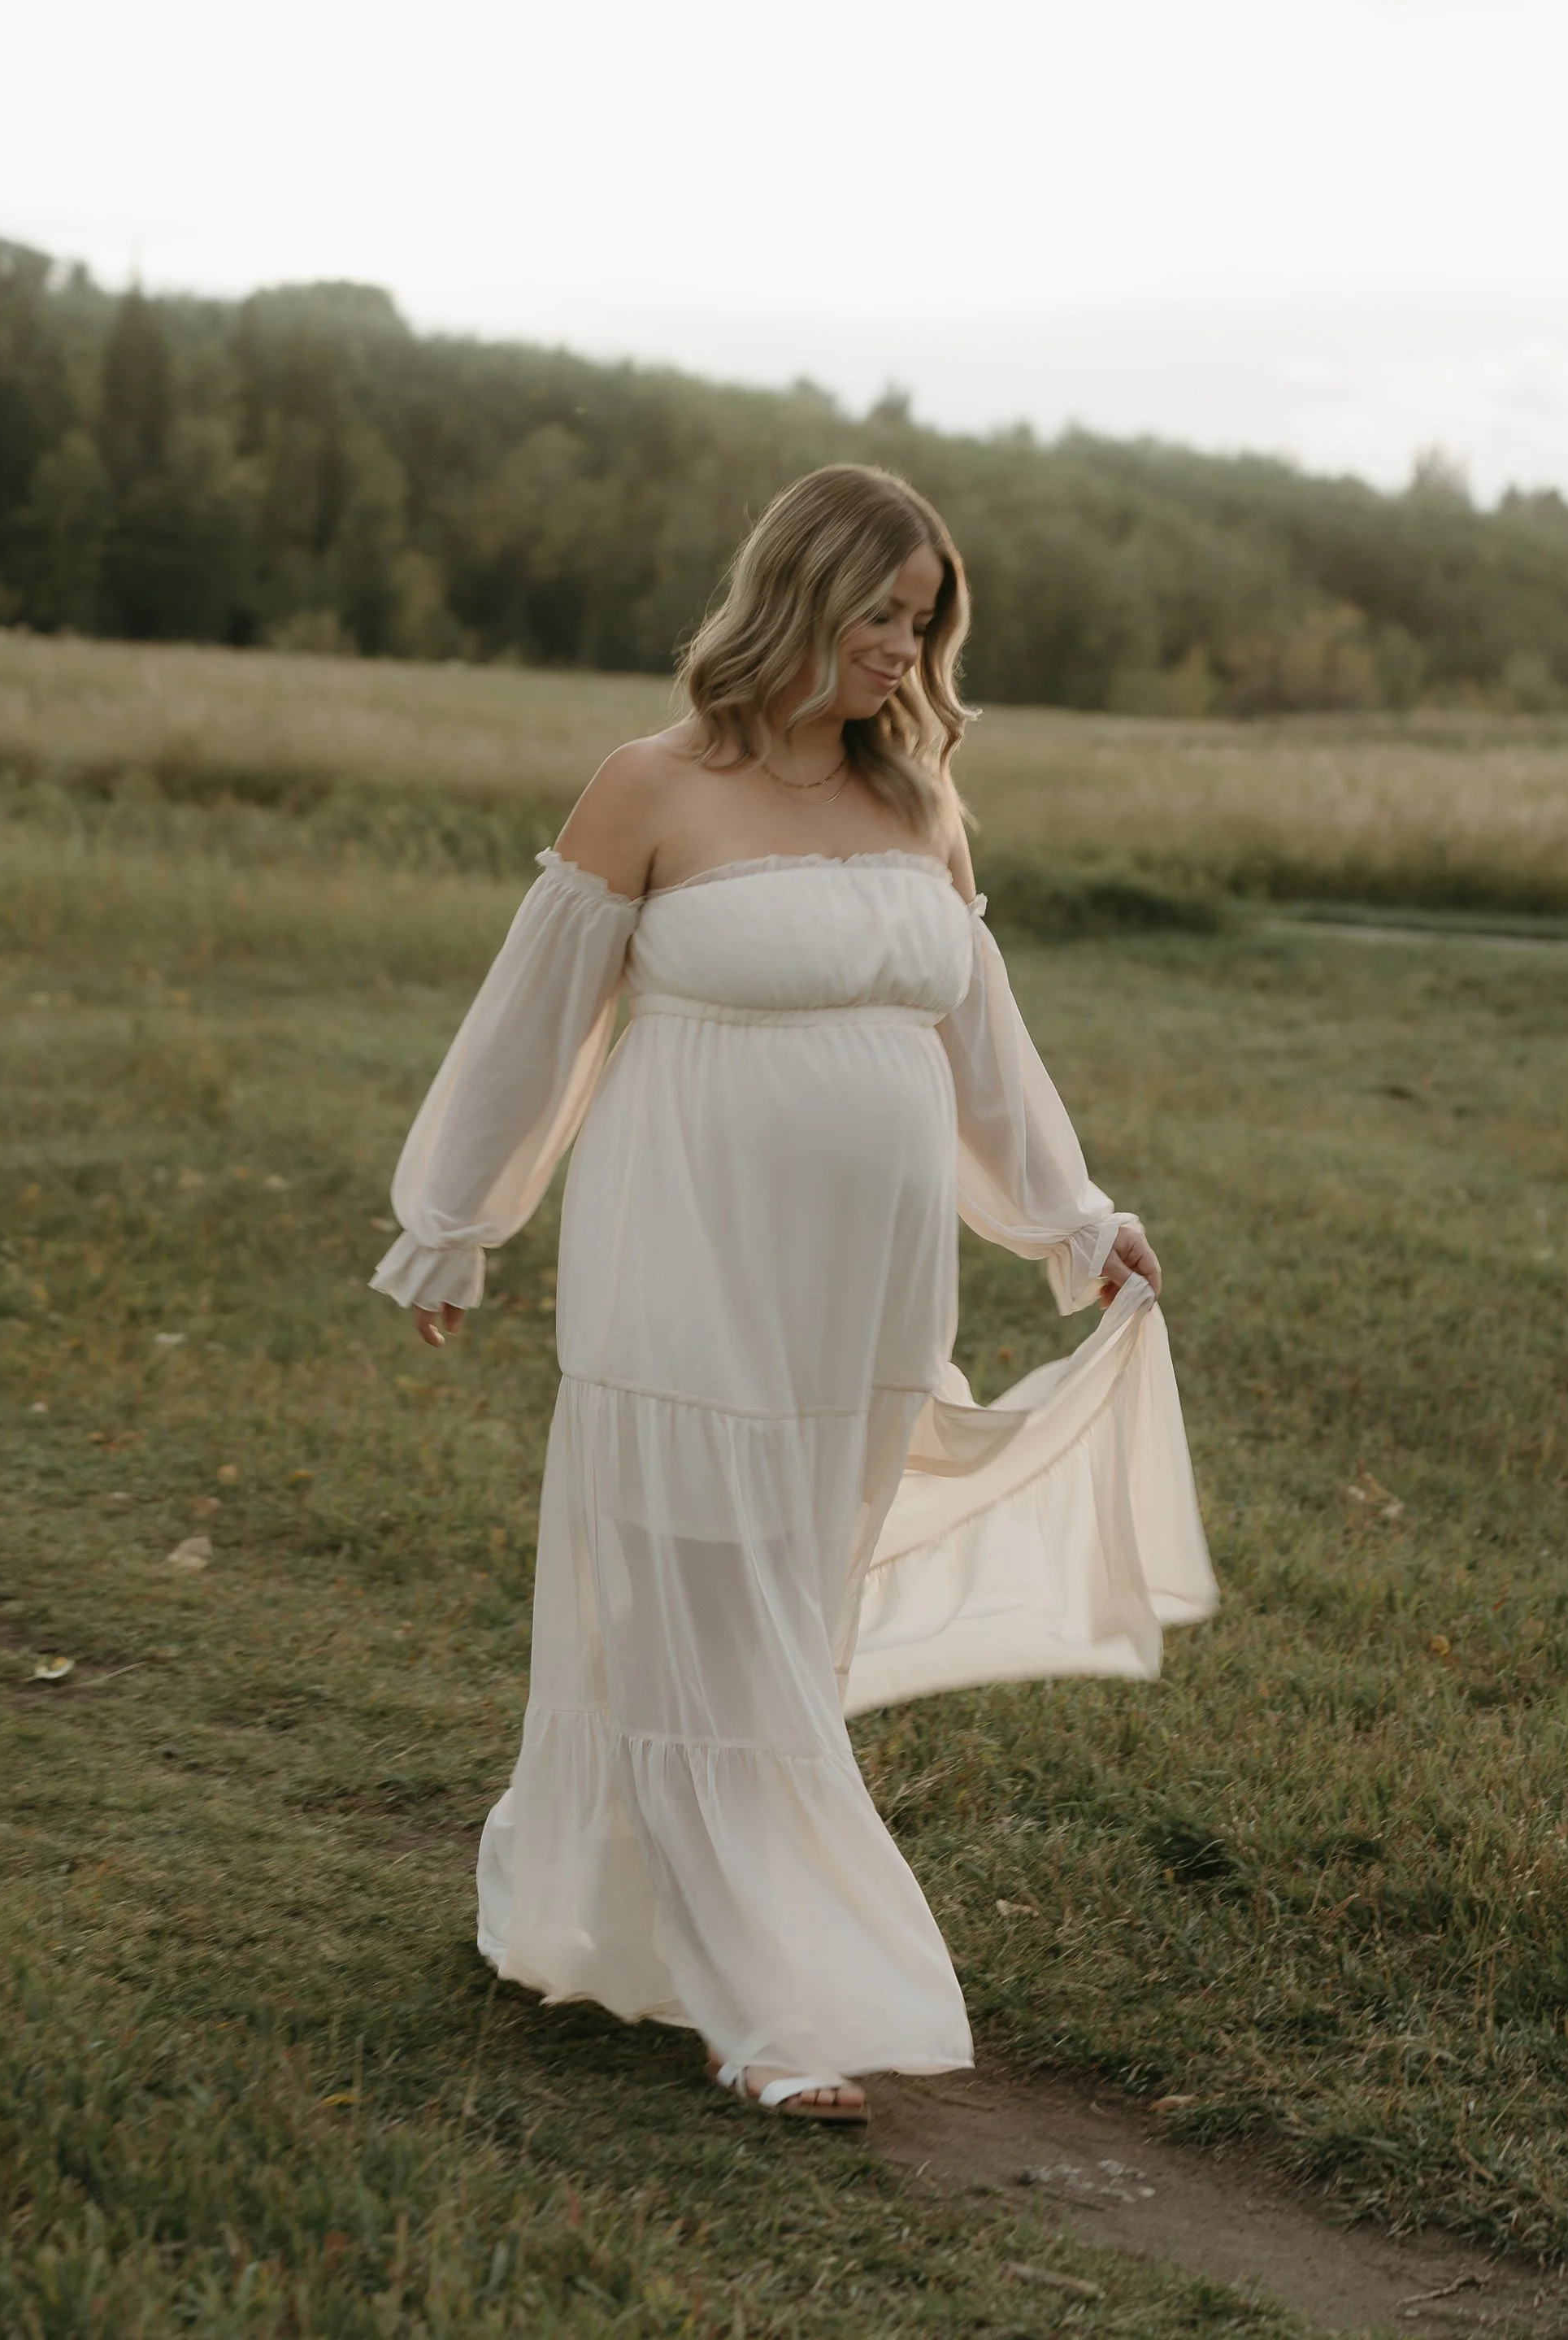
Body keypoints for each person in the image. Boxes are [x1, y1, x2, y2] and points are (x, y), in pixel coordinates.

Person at [371, 464, 1216, 2125]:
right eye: (878, 612)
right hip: (682, 1261)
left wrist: (1069, 1217)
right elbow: (531, 1020)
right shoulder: (650, 788)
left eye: (924, 620)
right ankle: (766, 2012)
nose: (903, 649)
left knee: (775, 1616)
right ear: (793, 595)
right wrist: (453, 1221)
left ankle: (579, 1883)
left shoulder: (916, 806)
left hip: (862, 1297)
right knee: (714, 1610)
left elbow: (983, 1051)